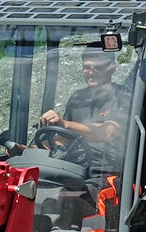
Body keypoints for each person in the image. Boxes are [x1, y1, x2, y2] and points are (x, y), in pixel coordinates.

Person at [38, 43, 130, 171]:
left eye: (97, 67)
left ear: (112, 68)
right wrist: (27, 151)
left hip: (107, 171)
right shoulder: (78, 98)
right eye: (87, 67)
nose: (91, 72)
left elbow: (107, 132)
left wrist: (66, 124)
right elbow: (63, 138)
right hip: (75, 167)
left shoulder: (123, 96)